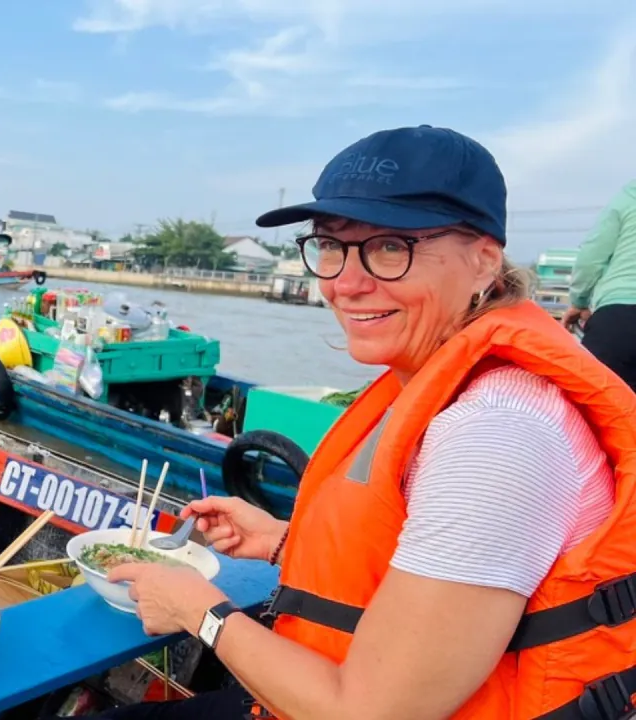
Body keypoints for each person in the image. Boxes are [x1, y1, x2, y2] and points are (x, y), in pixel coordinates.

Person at [96, 126, 636, 719]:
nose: (345, 283)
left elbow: (371, 712)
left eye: (389, 248)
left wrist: (196, 611)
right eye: (330, 245)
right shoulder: (433, 375)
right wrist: (282, 542)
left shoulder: (498, 432)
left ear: (484, 261)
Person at [563, 179, 636, 390]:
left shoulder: (628, 197)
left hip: (620, 322)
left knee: (590, 408)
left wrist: (579, 301)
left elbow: (590, 259)